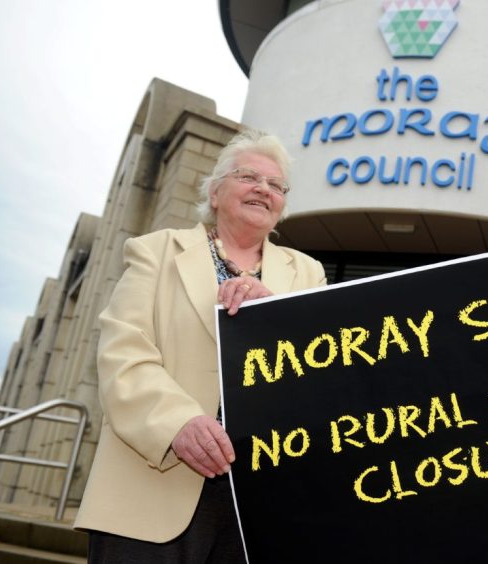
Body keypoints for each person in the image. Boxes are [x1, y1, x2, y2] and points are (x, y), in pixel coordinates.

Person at [74, 130, 326, 562]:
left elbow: (324, 368)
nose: (264, 189)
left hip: (259, 503)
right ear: (214, 191)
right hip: (152, 486)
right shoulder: (155, 251)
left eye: (276, 185)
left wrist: (277, 315)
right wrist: (178, 422)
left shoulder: (308, 273)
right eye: (249, 176)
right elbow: (123, 352)